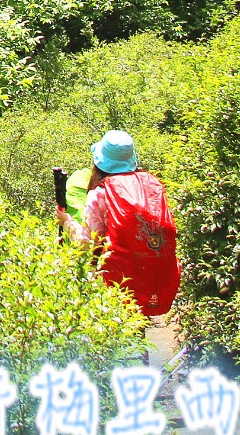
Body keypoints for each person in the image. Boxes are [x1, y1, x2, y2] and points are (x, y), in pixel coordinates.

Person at [57, 130, 182, 317]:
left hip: (114, 286)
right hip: (149, 280)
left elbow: (87, 243)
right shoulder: (151, 184)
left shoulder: (100, 193)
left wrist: (66, 222)